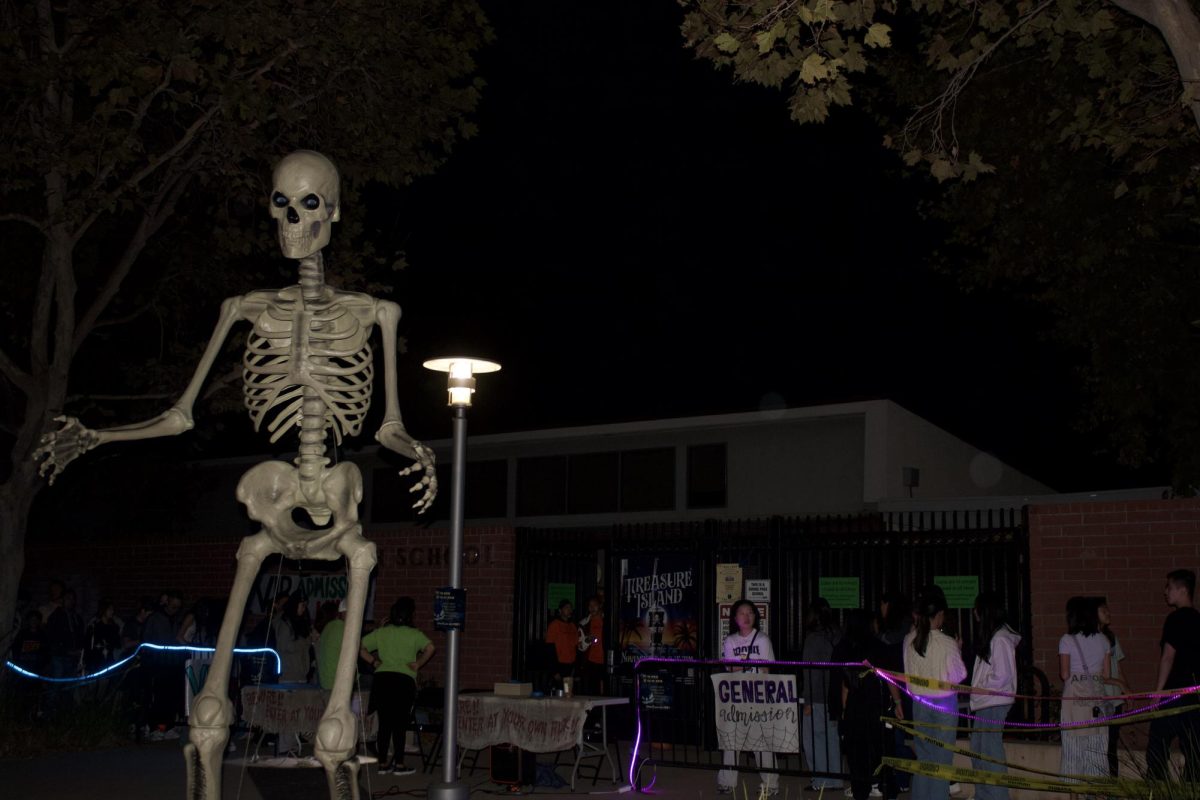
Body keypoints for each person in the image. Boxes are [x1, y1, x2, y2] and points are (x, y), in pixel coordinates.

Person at [360, 597, 435, 777]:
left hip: (383, 679)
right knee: (400, 724)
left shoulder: (382, 632)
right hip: (403, 681)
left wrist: (374, 661)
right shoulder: (414, 633)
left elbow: (359, 646)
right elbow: (431, 647)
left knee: (384, 723)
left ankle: (383, 764)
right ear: (410, 615)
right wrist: (418, 664)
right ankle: (399, 764)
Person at [904, 586, 966, 800]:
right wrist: (958, 648)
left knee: (925, 759)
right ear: (939, 615)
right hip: (944, 705)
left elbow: (908, 677)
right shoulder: (947, 642)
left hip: (919, 704)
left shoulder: (909, 640)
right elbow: (959, 675)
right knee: (942, 761)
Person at [717, 599, 778, 796]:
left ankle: (771, 783)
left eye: (750, 612)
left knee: (762, 742)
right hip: (736, 697)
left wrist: (743, 663)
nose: (747, 616)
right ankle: (727, 780)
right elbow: (731, 667)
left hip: (757, 697)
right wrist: (750, 663)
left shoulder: (762, 639)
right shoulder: (730, 641)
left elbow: (768, 668)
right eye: (742, 613)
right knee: (731, 739)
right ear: (735, 618)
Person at [833, 609, 896, 800]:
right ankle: (886, 787)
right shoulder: (878, 647)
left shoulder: (843, 648)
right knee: (882, 749)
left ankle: (860, 790)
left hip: (854, 708)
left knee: (856, 753)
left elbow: (843, 685)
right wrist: (898, 700)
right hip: (876, 705)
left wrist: (842, 711)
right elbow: (890, 678)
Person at [1145, 569, 1200, 781]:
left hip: (1175, 694)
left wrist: (1158, 693)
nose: (1165, 592)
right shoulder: (1198, 619)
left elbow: (1168, 657)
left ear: (1182, 590)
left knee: (1157, 745)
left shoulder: (1176, 619)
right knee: (1194, 750)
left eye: (1168, 587)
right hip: (1195, 698)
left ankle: (1157, 788)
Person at [968, 593, 1019, 800]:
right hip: (986, 701)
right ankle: (984, 795)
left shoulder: (1000, 639)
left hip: (993, 701)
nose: (974, 612)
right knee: (979, 748)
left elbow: (1003, 674)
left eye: (977, 608)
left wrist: (981, 687)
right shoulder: (995, 637)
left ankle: (997, 796)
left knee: (989, 751)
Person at [1058, 596, 1110, 779]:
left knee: (1073, 752)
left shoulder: (1067, 640)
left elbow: (1064, 674)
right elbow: (1106, 675)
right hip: (1096, 701)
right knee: (1097, 752)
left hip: (1074, 703)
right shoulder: (1104, 640)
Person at [801, 597, 843, 790]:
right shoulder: (837, 635)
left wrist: (808, 700)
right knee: (832, 738)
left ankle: (820, 780)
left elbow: (811, 672)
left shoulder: (813, 639)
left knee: (814, 738)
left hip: (817, 696)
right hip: (834, 695)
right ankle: (835, 778)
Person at [1096, 599, 1129, 776]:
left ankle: (1112, 787)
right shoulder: (1091, 641)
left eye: (1108, 610)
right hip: (1100, 700)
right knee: (1101, 744)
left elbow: (1118, 668)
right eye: (1103, 610)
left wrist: (1126, 692)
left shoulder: (1111, 637)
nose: (1108, 613)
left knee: (1112, 745)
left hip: (1115, 700)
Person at [273, 594, 314, 683]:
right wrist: (305, 642)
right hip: (289, 675)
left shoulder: (299, 621)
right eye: (302, 605)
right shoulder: (284, 623)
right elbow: (284, 646)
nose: (304, 609)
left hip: (301, 673)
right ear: (295, 604)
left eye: (305, 606)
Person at [545, 599, 578, 688]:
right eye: (566, 608)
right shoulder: (554, 625)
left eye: (570, 608)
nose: (569, 610)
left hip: (571, 666)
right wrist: (554, 670)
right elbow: (550, 649)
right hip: (559, 665)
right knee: (559, 692)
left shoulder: (573, 626)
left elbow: (576, 646)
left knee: (568, 692)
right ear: (560, 611)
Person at [84, 598, 123, 672]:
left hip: (108, 661)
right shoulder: (94, 627)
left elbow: (117, 644)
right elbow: (88, 646)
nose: (112, 612)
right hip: (96, 662)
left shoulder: (113, 627)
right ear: (104, 610)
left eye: (113, 609)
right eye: (110, 609)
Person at [577, 595, 605, 695]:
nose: (592, 608)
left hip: (606, 661)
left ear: (600, 606)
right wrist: (587, 640)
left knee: (606, 692)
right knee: (594, 692)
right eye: (590, 606)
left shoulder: (608, 621)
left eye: (594, 605)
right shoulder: (584, 624)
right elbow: (580, 648)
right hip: (591, 662)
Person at [317, 599, 348, 691]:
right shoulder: (342, 628)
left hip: (325, 682)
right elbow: (361, 648)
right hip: (337, 683)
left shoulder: (327, 628)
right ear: (343, 613)